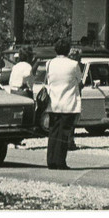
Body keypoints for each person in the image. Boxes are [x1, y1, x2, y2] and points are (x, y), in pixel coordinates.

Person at [44, 40, 81, 170]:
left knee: (53, 132)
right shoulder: (73, 64)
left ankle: (51, 160)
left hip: (53, 102)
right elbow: (79, 80)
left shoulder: (49, 63)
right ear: (68, 50)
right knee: (64, 133)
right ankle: (60, 161)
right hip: (68, 102)